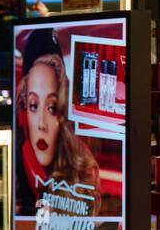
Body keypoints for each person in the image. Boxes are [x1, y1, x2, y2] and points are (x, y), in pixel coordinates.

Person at [16, 27, 101, 215]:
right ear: (24, 111)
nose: (41, 124)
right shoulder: (15, 178)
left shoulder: (82, 172)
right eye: (33, 105)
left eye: (52, 108)